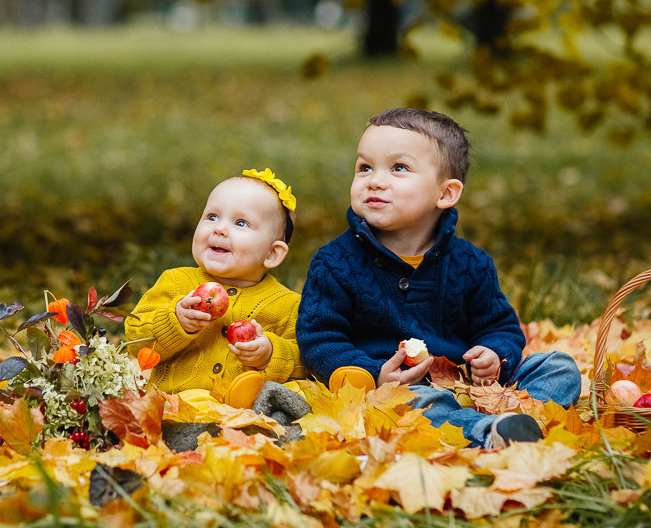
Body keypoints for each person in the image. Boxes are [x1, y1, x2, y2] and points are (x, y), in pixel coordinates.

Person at [296, 108, 581, 448]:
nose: (374, 180)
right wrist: (375, 376)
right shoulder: (335, 262)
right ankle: (485, 431)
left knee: (558, 365)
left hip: (470, 384)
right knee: (410, 404)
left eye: (398, 168)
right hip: (397, 392)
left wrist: (494, 356)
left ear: (445, 194)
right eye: (364, 167)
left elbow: (500, 326)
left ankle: (518, 422)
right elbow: (319, 339)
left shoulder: (470, 263)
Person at [125, 169, 309, 396]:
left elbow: (307, 360)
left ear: (272, 253)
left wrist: (270, 353)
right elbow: (136, 340)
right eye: (212, 217)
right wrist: (176, 321)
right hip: (175, 406)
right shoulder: (176, 282)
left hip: (247, 414)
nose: (219, 228)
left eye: (241, 223)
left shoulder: (288, 305)